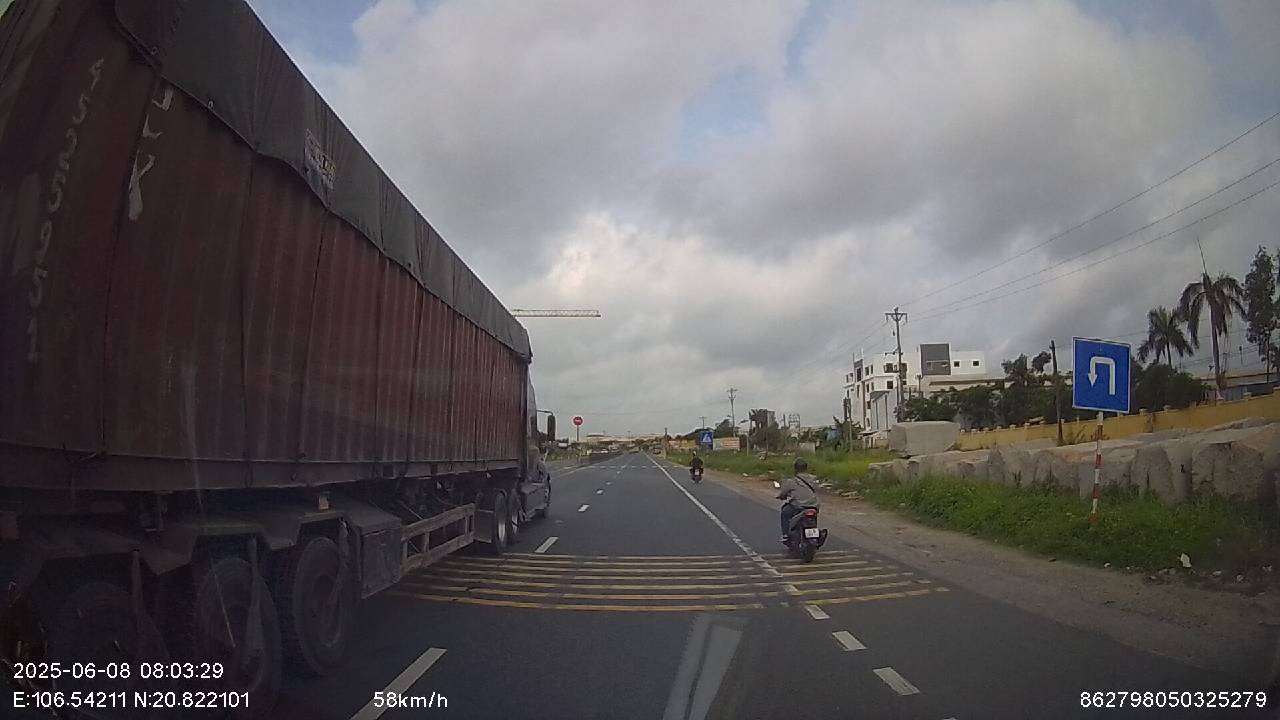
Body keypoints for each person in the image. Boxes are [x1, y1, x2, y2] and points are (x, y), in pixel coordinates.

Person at [776, 457, 819, 543]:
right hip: (813, 505)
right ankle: (814, 532)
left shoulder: (791, 481)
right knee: (813, 517)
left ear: (795, 469)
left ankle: (785, 534)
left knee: (785, 512)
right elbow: (817, 490)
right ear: (806, 468)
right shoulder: (813, 479)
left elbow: (783, 493)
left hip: (798, 506)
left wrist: (781, 496)